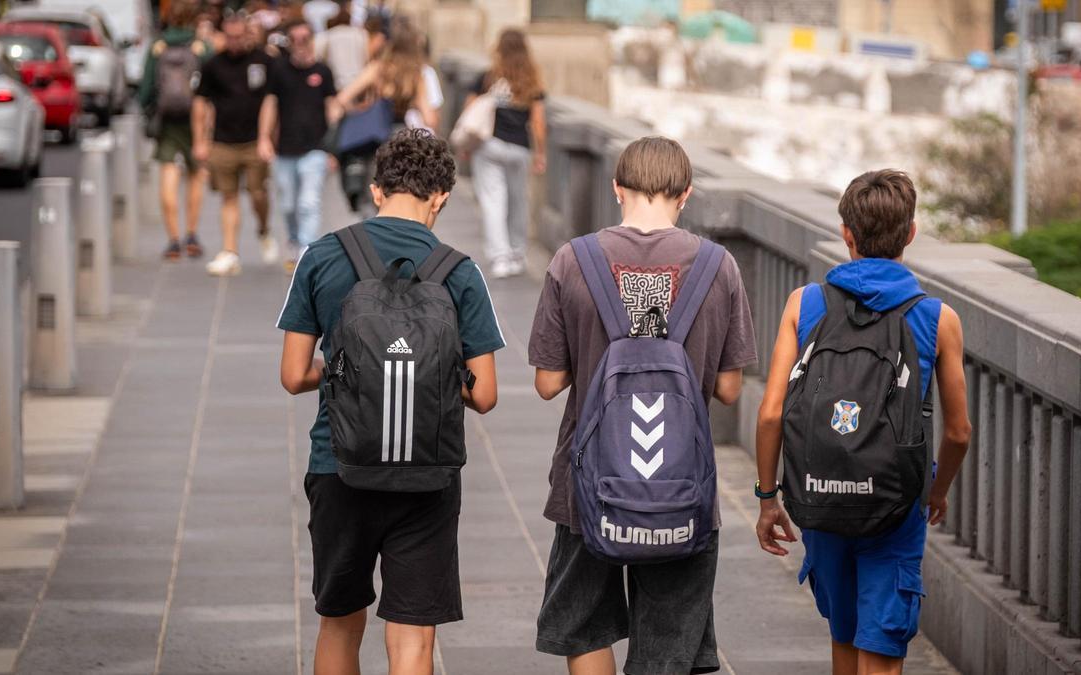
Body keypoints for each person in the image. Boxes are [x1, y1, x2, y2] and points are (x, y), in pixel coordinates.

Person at [277, 128, 504, 675]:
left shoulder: (323, 256)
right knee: (411, 641)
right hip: (426, 470)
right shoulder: (460, 270)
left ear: (376, 190)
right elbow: (487, 394)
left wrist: (349, 371)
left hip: (340, 463)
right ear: (441, 198)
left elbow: (291, 375)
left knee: (340, 623)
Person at [528, 137, 757, 675]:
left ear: (616, 189)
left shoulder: (573, 260)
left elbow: (547, 382)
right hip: (682, 484)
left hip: (588, 483)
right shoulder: (718, 267)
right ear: (686, 195)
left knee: (583, 626)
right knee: (669, 645)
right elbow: (728, 390)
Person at [753, 170, 971, 675]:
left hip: (821, 496)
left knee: (844, 639)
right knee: (882, 650)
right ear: (911, 233)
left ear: (846, 234)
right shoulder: (937, 318)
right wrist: (935, 492)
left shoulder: (805, 304)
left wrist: (768, 501)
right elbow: (958, 431)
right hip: (895, 507)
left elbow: (770, 415)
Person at [192, 13, 278, 276]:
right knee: (228, 196)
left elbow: (271, 100)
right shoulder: (213, 65)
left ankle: (263, 230)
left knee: (257, 193)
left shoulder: (263, 61)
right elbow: (201, 102)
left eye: (239, 36)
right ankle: (230, 251)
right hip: (222, 140)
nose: (235, 42)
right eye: (230, 37)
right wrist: (200, 141)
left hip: (254, 140)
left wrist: (267, 137)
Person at [464, 28, 547, 279]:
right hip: (520, 149)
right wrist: (540, 153)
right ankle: (517, 253)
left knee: (492, 202)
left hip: (489, 146)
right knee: (518, 202)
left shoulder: (487, 78)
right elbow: (538, 123)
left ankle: (499, 257)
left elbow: (470, 111)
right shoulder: (532, 81)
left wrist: (467, 145)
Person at [259, 21, 339, 272]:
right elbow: (270, 105)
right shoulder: (279, 70)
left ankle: (306, 248)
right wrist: (263, 137)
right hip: (285, 148)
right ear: (290, 42)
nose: (301, 44)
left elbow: (333, 107)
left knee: (308, 202)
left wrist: (334, 147)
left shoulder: (323, 71)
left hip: (315, 147)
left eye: (305, 38)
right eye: (296, 39)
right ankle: (293, 240)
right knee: (288, 204)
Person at [334, 25, 435, 215]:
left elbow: (342, 99)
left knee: (372, 190)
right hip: (401, 137)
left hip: (375, 136)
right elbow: (430, 118)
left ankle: (369, 234)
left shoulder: (378, 69)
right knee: (397, 191)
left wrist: (361, 108)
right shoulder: (416, 75)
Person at [138, 0, 210, 261]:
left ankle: (173, 239)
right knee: (195, 175)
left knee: (168, 174)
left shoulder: (157, 47)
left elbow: (145, 90)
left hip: (167, 120)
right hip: (196, 120)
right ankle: (192, 234)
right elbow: (212, 86)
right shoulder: (202, 47)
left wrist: (148, 111)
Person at [315, 1, 368, 89]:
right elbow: (367, 57)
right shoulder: (361, 34)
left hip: (336, 82)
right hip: (358, 82)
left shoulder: (325, 36)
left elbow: (318, 57)